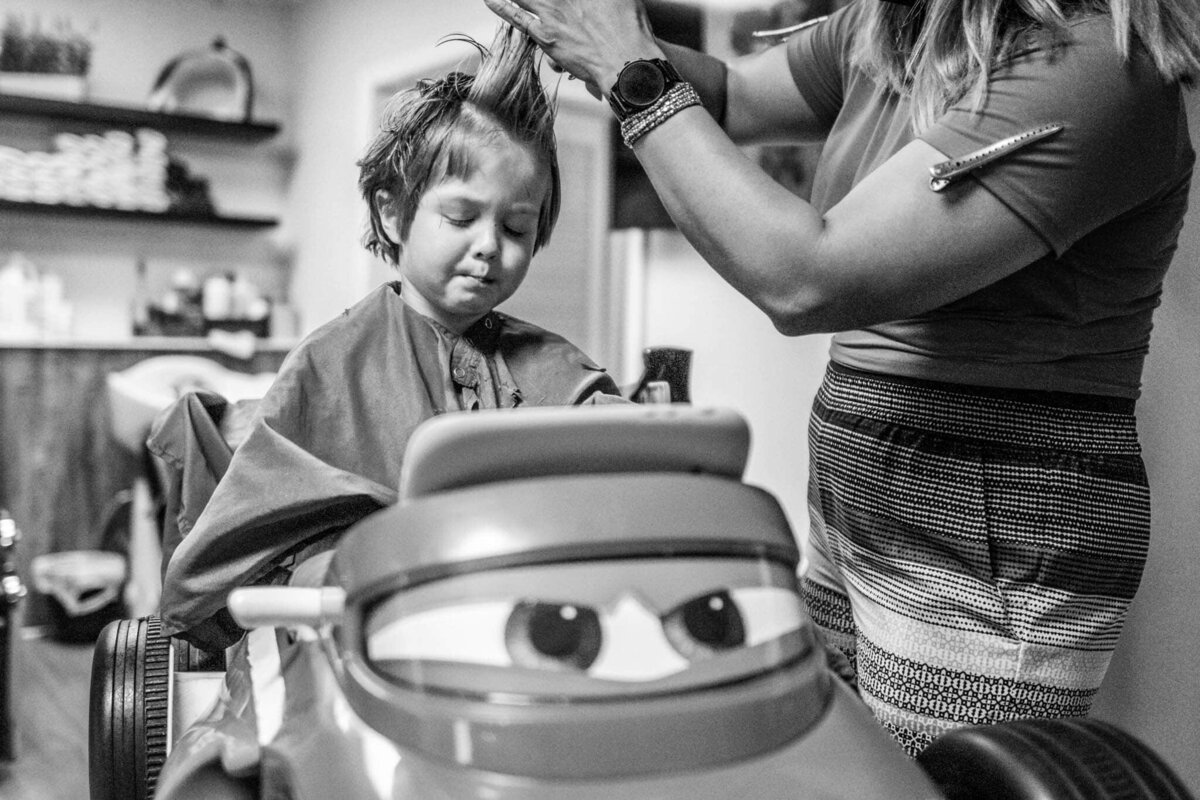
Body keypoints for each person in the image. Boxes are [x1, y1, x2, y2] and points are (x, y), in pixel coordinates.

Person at [483, 0, 1200, 755]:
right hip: (856, 473)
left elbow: (808, 278)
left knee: (927, 783)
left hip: (987, 513)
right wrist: (595, 31)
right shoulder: (900, 19)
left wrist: (628, 68)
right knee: (832, 755)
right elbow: (730, 91)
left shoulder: (1099, 68)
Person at [158, 24, 623, 652]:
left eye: (517, 227)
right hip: (369, 644)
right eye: (461, 217)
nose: (489, 245)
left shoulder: (559, 370)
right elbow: (223, 567)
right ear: (391, 214)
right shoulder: (329, 367)